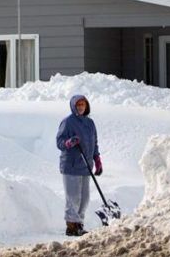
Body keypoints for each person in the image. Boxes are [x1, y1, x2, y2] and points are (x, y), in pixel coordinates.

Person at [55, 94, 102, 236]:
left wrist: (97, 159)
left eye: (83, 104)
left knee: (85, 198)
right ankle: (71, 227)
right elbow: (59, 142)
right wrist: (69, 143)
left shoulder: (90, 123)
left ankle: (79, 223)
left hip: (86, 165)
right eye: (78, 105)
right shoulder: (68, 122)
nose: (81, 107)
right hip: (71, 165)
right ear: (73, 106)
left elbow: (94, 143)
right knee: (73, 197)